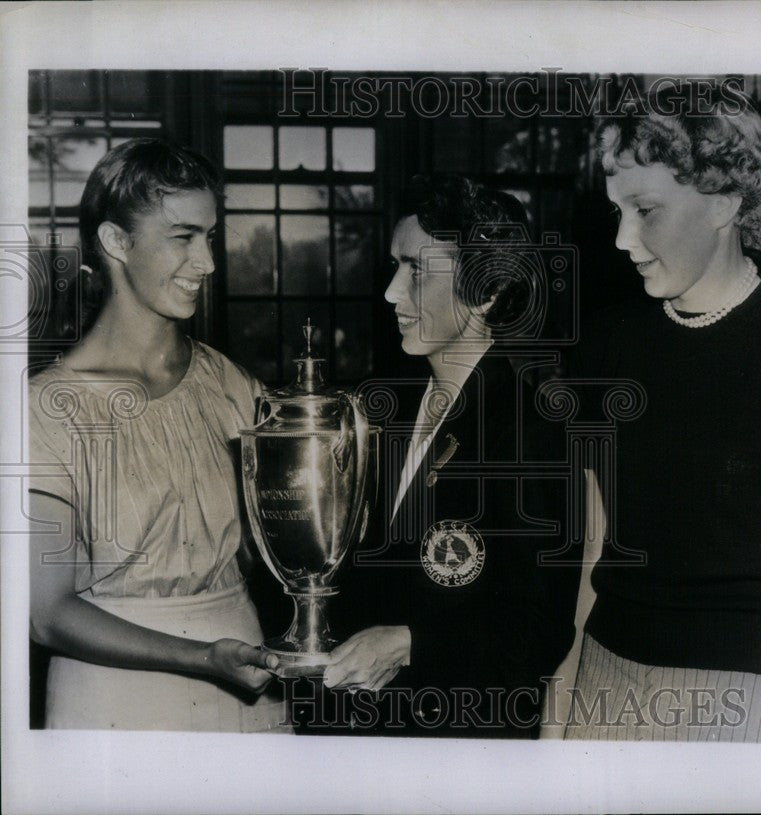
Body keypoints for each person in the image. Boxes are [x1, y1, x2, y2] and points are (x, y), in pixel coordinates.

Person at [564, 85, 761, 742]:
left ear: (726, 201)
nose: (622, 238)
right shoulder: (604, 345)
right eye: (617, 211)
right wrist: (557, 723)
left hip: (753, 706)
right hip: (605, 681)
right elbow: (592, 551)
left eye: (645, 211)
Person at [305, 175, 579, 737]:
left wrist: (411, 644)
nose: (390, 292)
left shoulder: (528, 423)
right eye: (394, 267)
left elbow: (540, 630)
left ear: (487, 290)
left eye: (416, 271)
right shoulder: (386, 407)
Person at [28, 138, 286, 732]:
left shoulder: (230, 384)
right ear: (117, 242)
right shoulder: (44, 409)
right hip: (117, 699)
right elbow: (45, 614)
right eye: (182, 238)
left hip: (248, 677)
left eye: (211, 237)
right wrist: (202, 658)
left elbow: (270, 551)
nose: (209, 263)